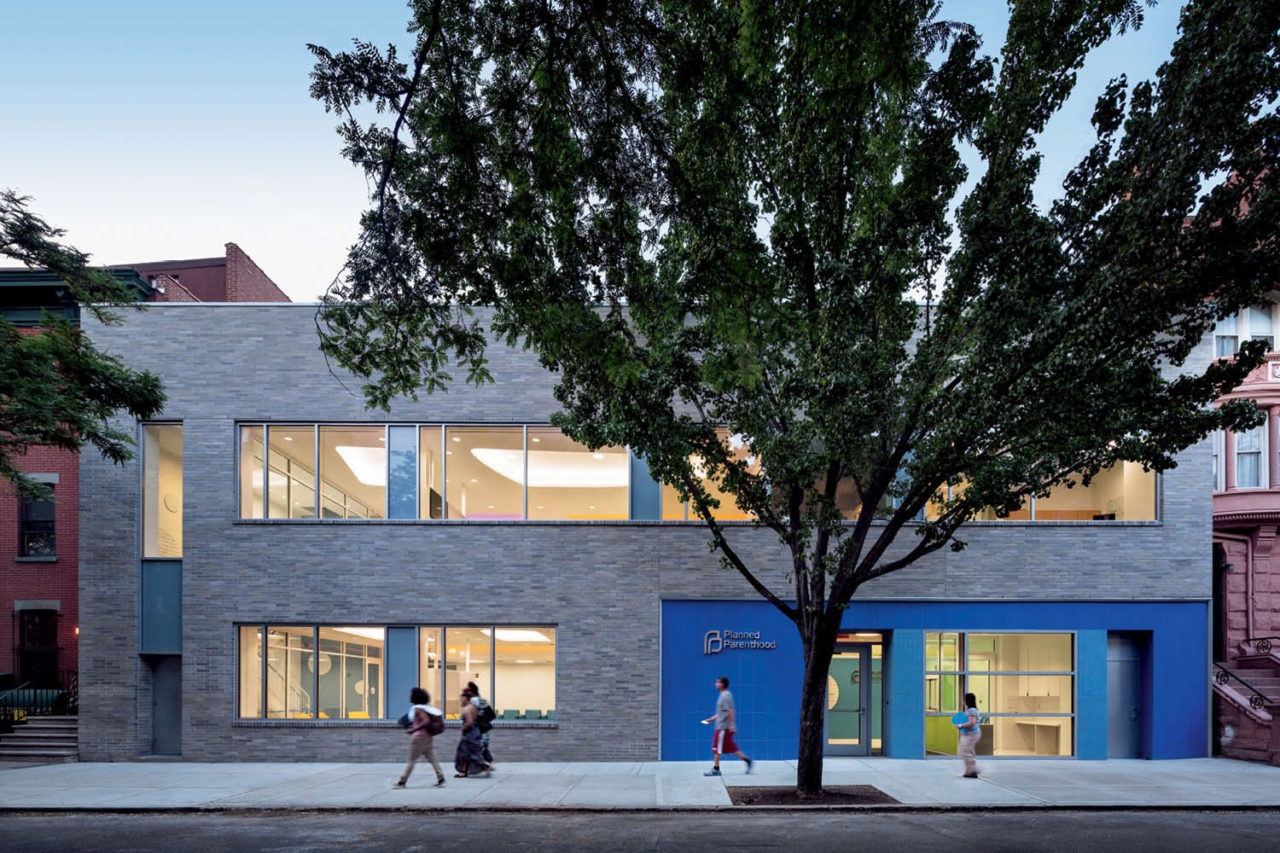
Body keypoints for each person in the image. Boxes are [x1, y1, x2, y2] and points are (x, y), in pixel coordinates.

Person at [394, 687, 445, 788]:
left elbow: (426, 721)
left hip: (418, 737)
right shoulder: (425, 708)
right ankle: (441, 777)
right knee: (431, 757)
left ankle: (402, 782)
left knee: (411, 760)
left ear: (415, 697)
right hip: (428, 737)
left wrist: (414, 729)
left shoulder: (418, 709)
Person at [702, 676, 753, 776]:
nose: (716, 684)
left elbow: (730, 711)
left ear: (722, 684)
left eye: (717, 683)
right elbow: (722, 712)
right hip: (722, 726)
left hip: (722, 728)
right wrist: (711, 719)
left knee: (716, 748)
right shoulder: (723, 695)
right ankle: (748, 760)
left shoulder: (726, 696)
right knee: (731, 748)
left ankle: (716, 769)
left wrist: (732, 726)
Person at [454, 687, 492, 777]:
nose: (460, 700)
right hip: (475, 732)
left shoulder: (467, 709)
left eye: (462, 698)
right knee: (467, 752)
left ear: (466, 698)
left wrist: (462, 728)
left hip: (469, 734)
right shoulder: (474, 707)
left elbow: (469, 722)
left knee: (467, 752)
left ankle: (485, 766)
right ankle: (463, 771)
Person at [466, 680, 496, 767]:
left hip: (476, 730)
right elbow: (492, 715)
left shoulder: (472, 702)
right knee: (483, 747)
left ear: (471, 692)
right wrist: (484, 721)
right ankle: (486, 763)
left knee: (476, 747)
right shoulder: (483, 701)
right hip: (483, 730)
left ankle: (482, 765)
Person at [954, 692, 982, 778]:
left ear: (967, 700)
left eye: (964, 699)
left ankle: (973, 770)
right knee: (966, 751)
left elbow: (971, 722)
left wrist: (960, 725)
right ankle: (969, 771)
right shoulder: (969, 710)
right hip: (967, 734)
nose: (963, 701)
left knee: (965, 752)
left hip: (971, 734)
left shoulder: (972, 710)